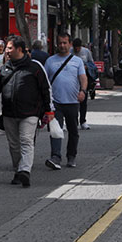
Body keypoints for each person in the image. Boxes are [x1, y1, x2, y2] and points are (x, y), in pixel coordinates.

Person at [0, 36, 53, 188]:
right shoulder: (4, 69)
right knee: (14, 145)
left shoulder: (34, 68)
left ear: (19, 49)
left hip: (30, 113)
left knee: (26, 141)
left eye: (9, 48)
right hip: (9, 113)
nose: (7, 51)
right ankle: (19, 171)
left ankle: (25, 171)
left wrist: (48, 110)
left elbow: (45, 90)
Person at [45, 33, 87, 170]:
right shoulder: (50, 61)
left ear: (70, 44)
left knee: (73, 130)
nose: (62, 46)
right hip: (55, 102)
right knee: (55, 130)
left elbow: (83, 78)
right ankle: (55, 157)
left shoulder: (77, 61)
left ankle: (71, 156)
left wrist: (83, 91)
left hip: (73, 102)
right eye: (60, 43)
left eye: (65, 43)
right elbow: (44, 82)